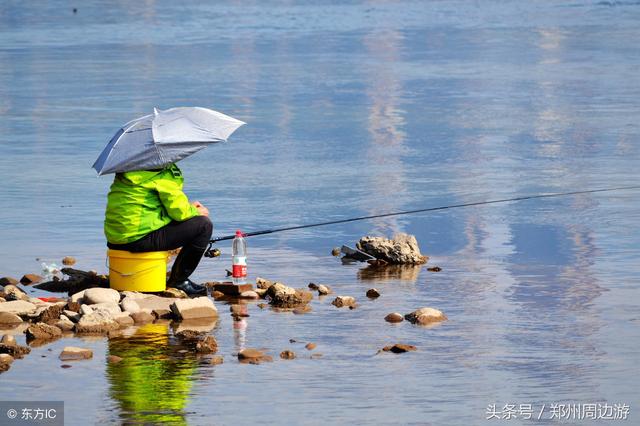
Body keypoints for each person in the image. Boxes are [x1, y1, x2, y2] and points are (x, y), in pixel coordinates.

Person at [104, 163, 212, 296]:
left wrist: (189, 208)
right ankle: (179, 281)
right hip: (139, 239)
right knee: (203, 225)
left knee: (193, 219)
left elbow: (145, 209)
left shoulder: (126, 171)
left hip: (116, 240)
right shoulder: (162, 175)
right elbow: (179, 213)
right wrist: (196, 211)